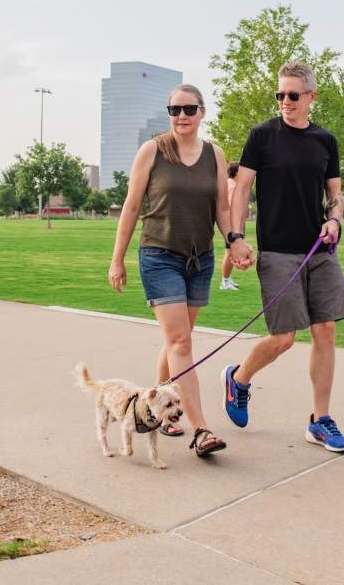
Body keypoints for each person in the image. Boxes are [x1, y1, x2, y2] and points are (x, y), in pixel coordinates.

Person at [222, 60, 344, 454]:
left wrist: (334, 219)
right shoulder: (261, 136)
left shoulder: (325, 141)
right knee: (283, 338)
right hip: (278, 250)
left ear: (311, 96)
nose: (285, 101)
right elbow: (242, 189)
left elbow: (335, 195)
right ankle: (239, 379)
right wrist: (236, 237)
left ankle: (320, 420)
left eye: (293, 95)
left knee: (326, 330)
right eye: (279, 94)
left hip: (319, 248)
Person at [108, 84, 230, 457]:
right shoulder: (153, 151)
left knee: (178, 339)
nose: (181, 116)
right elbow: (130, 207)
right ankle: (201, 430)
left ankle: (154, 408)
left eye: (188, 109)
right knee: (181, 343)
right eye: (174, 110)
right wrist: (117, 259)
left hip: (200, 259)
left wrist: (235, 240)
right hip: (159, 256)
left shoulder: (215, 155)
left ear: (202, 112)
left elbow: (222, 208)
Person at [220, 161, 246, 291]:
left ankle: (227, 279)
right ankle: (225, 282)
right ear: (236, 172)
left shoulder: (230, 184)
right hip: (231, 226)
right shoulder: (232, 185)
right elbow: (229, 205)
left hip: (234, 225)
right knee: (230, 253)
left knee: (231, 253)